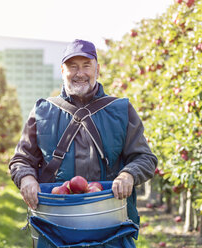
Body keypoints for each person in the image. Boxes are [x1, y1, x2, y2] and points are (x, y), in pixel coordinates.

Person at [9, 39, 158, 221]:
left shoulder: (121, 109)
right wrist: (26, 178)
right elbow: (21, 159)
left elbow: (145, 158)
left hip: (108, 215)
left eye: (86, 66)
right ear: (63, 71)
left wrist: (128, 174)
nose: (80, 73)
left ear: (97, 69)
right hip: (55, 217)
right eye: (73, 67)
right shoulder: (43, 110)